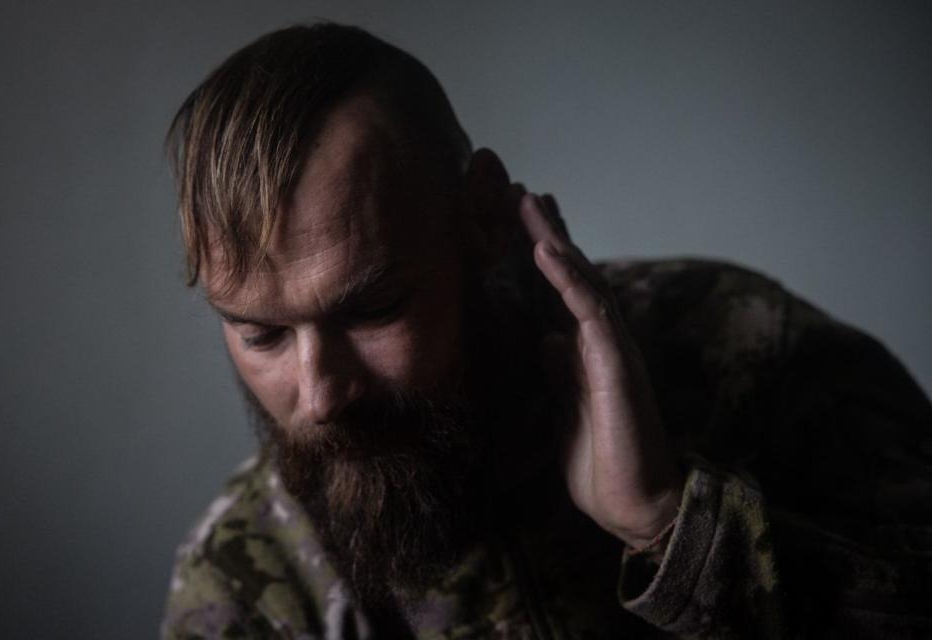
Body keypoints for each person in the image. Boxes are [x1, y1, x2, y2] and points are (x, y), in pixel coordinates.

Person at [161, 23, 932, 639]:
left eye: (371, 310)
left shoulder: (741, 346)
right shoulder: (243, 579)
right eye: (261, 335)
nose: (321, 394)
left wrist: (669, 522)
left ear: (487, 216)